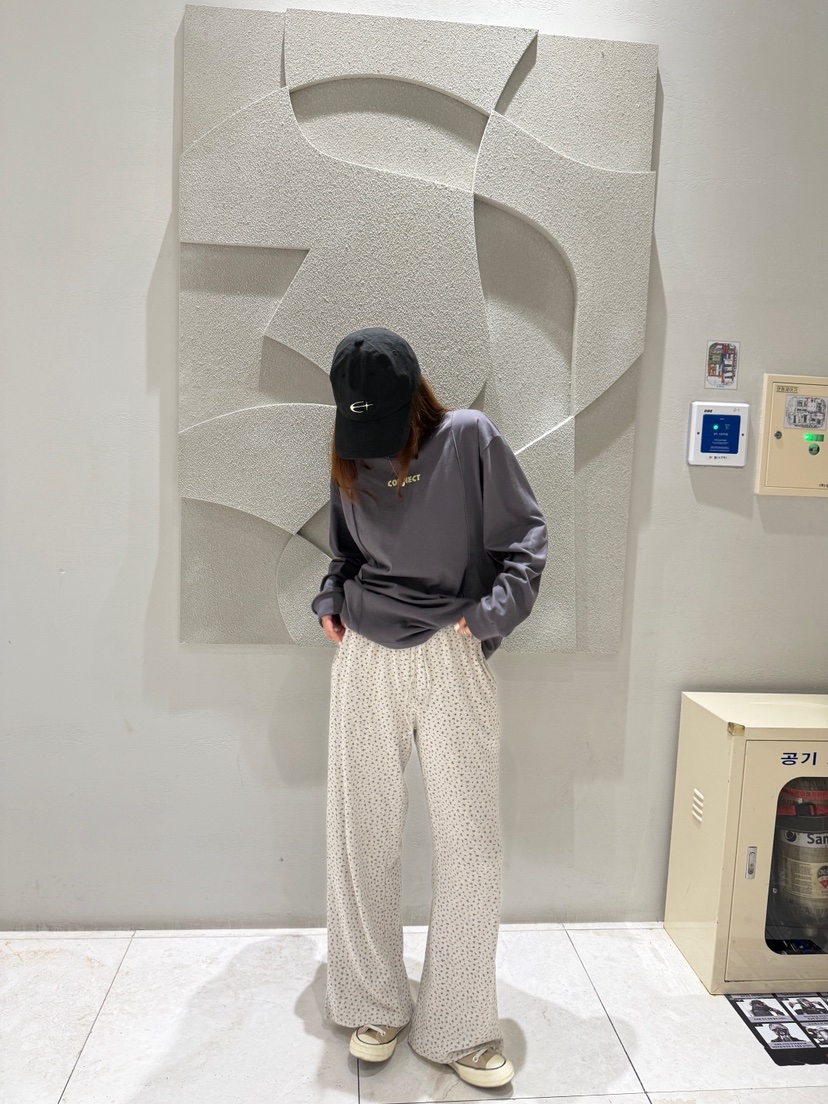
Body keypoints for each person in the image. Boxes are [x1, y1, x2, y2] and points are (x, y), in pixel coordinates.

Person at [311, 326, 548, 1089]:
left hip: (450, 650)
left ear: (415, 398)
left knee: (471, 841)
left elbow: (526, 540)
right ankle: (373, 1000)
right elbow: (345, 552)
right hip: (366, 656)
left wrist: (486, 617)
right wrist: (330, 598)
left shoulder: (470, 439)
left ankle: (459, 1024)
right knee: (362, 832)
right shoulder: (351, 449)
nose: (373, 447)